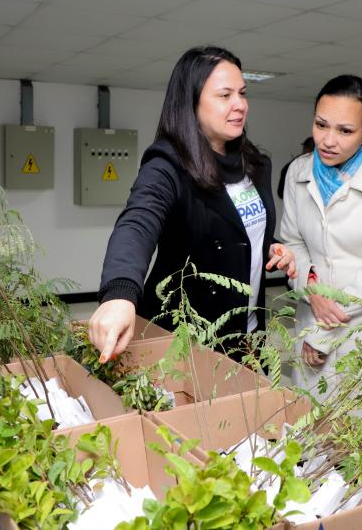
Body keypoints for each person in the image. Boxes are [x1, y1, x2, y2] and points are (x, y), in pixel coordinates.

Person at [90, 46, 296, 364]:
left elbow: (238, 228)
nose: (240, 105)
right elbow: (138, 222)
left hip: (248, 334)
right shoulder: (167, 164)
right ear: (191, 102)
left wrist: (269, 246)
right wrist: (119, 292)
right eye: (225, 95)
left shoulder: (255, 164)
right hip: (186, 339)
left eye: (242, 93)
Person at [279, 74, 362, 397]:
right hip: (309, 317)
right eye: (321, 125)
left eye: (345, 131)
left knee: (360, 420)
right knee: (307, 417)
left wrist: (322, 334)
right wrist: (311, 288)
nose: (328, 140)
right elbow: (293, 242)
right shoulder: (298, 172)